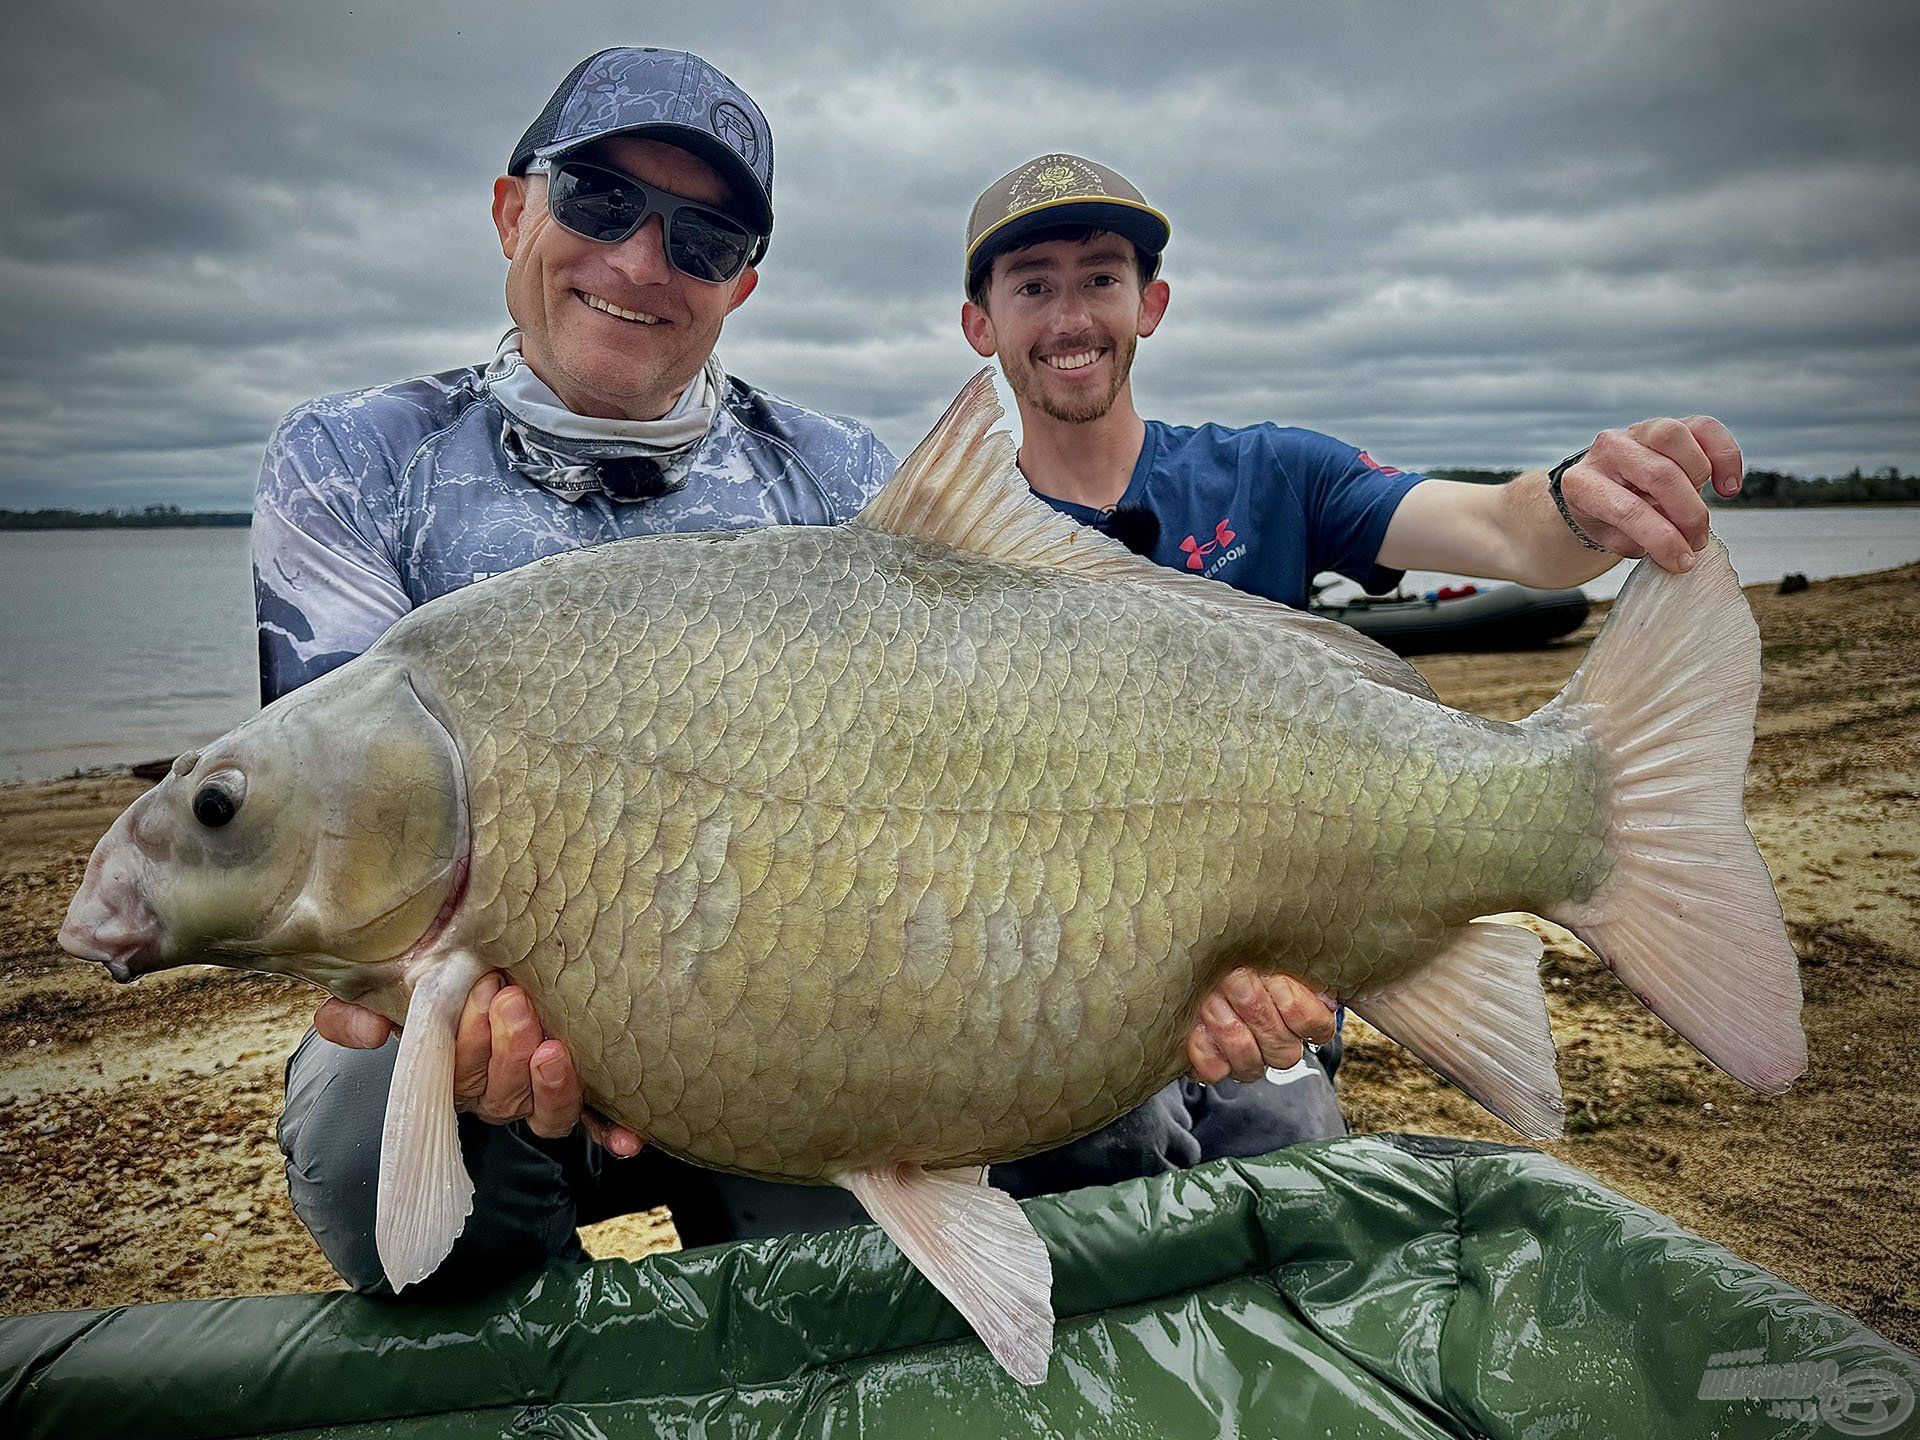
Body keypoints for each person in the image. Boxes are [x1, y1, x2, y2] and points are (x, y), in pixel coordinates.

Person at [269, 56, 1323, 1297]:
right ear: (514, 211)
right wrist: (413, 1000)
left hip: (793, 1033)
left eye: (704, 238)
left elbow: (1000, 785)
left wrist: (1180, 952)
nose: (643, 261)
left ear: (744, 282)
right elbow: (333, 810)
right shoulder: (353, 458)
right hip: (510, 1036)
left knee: (1074, 1133)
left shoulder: (836, 475)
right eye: (601, 203)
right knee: (362, 1119)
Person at [956, 152, 1746, 1184]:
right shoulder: (956, 553)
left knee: (1294, 1172)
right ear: (981, 324)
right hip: (1059, 1007)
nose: (1070, 318)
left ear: (1150, 303)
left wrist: (1574, 501)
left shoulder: (1268, 472)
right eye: (1032, 286)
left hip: (1280, 978)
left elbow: (1502, 534)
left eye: (1100, 278)